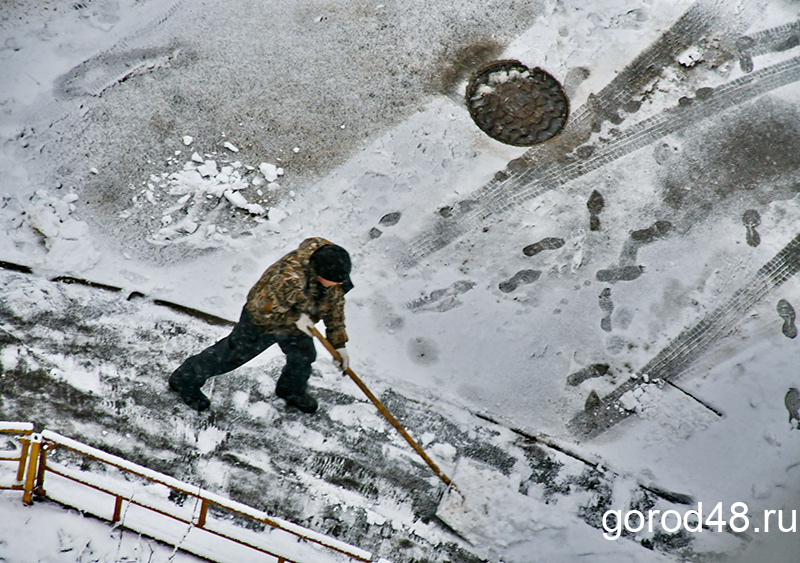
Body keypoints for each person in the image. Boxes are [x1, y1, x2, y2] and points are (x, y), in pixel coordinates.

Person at [168, 237, 353, 414]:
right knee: (230, 356)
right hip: (262, 320)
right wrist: (295, 319)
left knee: (304, 356)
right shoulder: (289, 277)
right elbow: (261, 311)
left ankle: (290, 390)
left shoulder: (333, 266)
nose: (340, 284)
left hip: (299, 320)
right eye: (336, 281)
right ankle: (185, 379)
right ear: (319, 274)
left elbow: (335, 306)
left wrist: (339, 345)